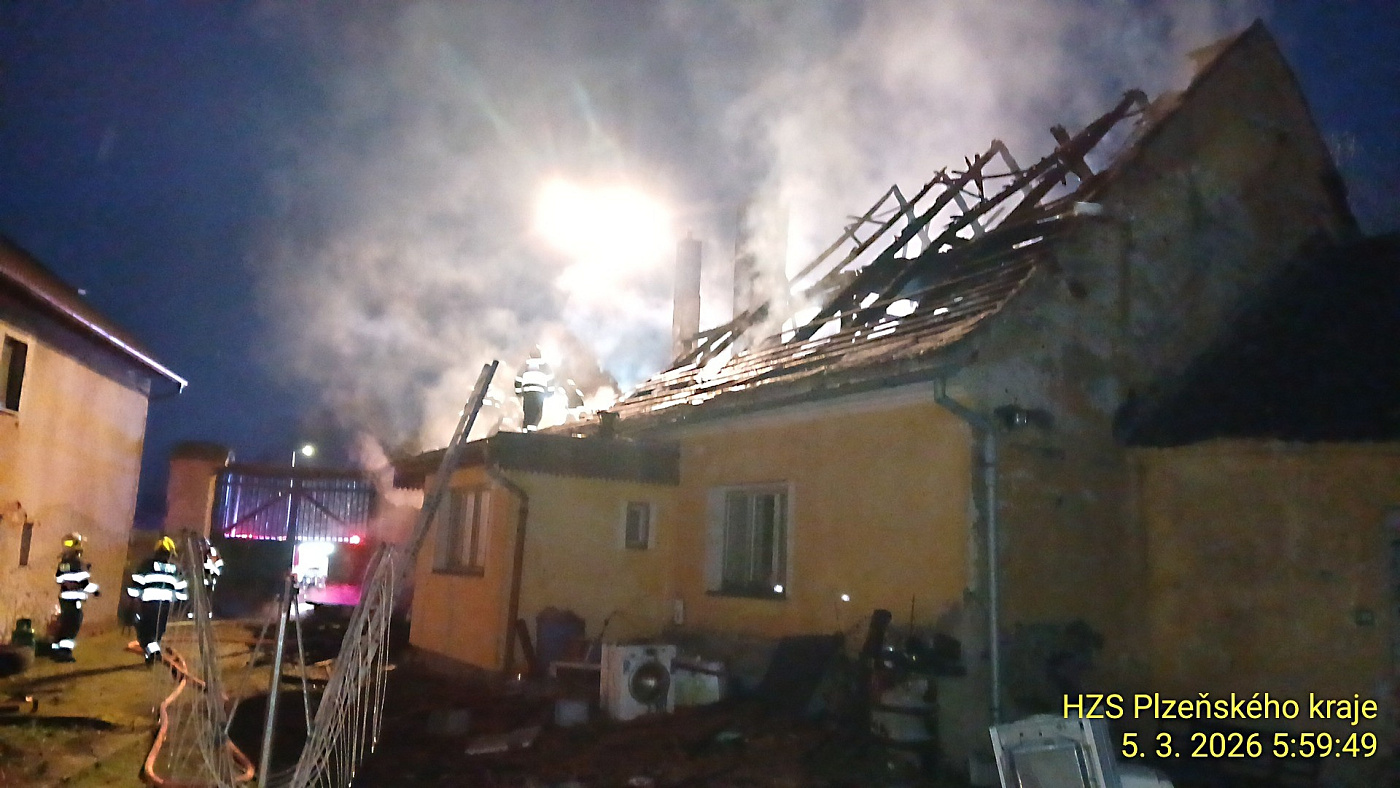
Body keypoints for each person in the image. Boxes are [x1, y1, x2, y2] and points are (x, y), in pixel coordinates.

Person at [126, 536, 188, 666]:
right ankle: (151, 656)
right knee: (157, 632)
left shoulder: (147, 565)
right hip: (165, 606)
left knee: (144, 633)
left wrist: (133, 600)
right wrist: (177, 602)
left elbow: (136, 585)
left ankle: (154, 654)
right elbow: (182, 591)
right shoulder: (176, 568)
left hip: (149, 605)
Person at [52, 533, 99, 662]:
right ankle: (65, 653)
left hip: (64, 599)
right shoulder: (78, 563)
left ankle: (56, 651)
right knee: (72, 626)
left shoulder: (63, 563)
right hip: (74, 600)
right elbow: (84, 583)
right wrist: (95, 591)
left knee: (64, 625)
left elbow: (58, 579)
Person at [514, 351, 553, 431]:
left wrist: (518, 392)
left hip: (527, 394)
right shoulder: (544, 366)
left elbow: (518, 379)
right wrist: (550, 392)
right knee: (536, 414)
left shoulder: (525, 366)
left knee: (528, 413)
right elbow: (550, 379)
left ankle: (525, 431)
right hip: (539, 394)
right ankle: (532, 433)